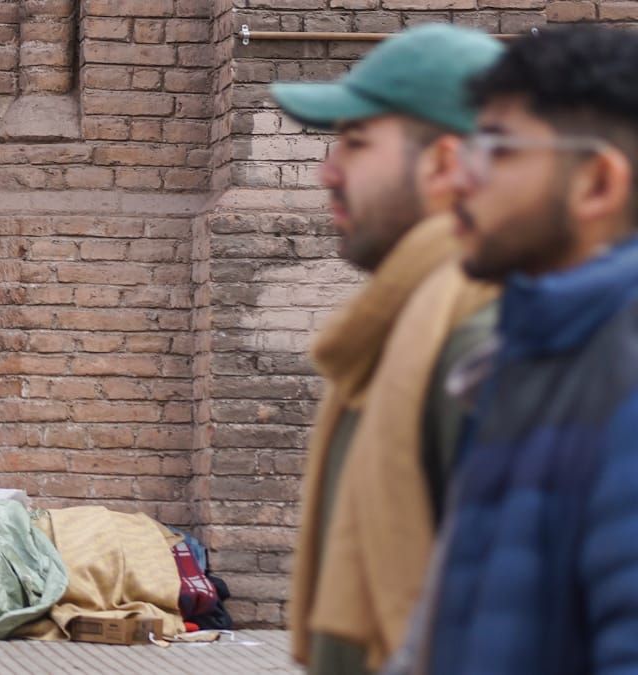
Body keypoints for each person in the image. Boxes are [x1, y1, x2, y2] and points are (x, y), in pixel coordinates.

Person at [269, 25, 503, 674]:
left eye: (357, 142)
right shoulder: (399, 331)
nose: (327, 171)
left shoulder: (481, 346)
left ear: (445, 164)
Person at [408, 26, 638, 675]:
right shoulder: (525, 356)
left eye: (497, 151)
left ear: (597, 182)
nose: (460, 181)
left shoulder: (624, 367)